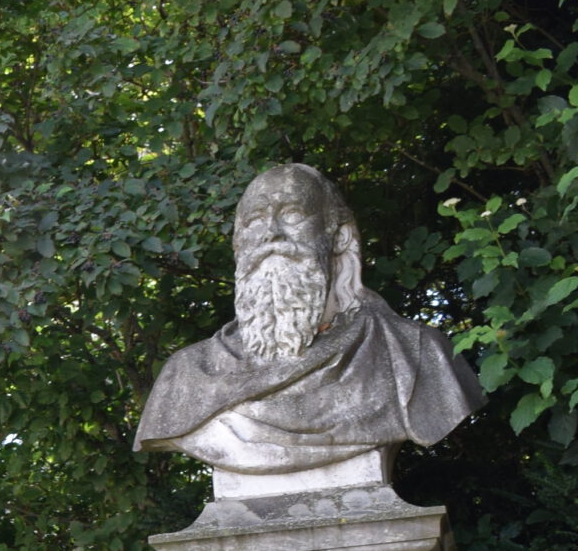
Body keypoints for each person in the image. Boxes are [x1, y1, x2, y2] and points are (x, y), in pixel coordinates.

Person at [136, 164, 485, 494]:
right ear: (238, 244)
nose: (272, 233)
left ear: (339, 237)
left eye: (292, 215)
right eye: (255, 221)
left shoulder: (415, 353)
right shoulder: (185, 376)